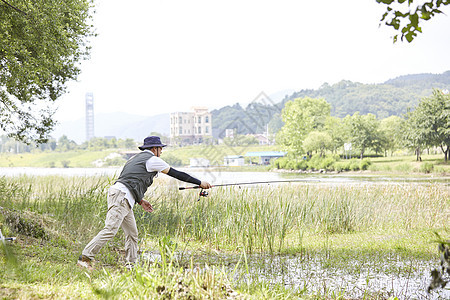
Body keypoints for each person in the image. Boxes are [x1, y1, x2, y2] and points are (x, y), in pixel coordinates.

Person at [77, 136, 211, 270]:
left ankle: (131, 266)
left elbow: (130, 180)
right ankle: (85, 258)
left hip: (123, 197)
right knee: (110, 229)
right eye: (160, 148)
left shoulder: (134, 159)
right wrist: (199, 183)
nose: (161, 151)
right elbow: (176, 173)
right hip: (121, 197)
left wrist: (140, 200)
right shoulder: (153, 160)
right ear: (154, 149)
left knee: (132, 234)